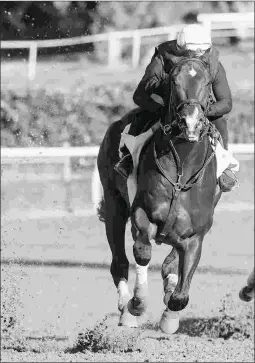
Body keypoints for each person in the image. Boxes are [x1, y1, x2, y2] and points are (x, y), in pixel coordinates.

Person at [114, 24, 238, 192]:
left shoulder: (213, 62)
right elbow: (140, 95)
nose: (198, 56)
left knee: (220, 121)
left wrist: (200, 113)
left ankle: (224, 166)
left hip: (198, 109)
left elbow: (226, 102)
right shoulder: (163, 58)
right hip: (165, 107)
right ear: (180, 48)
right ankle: (128, 158)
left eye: (201, 52)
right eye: (193, 52)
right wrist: (164, 103)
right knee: (140, 115)